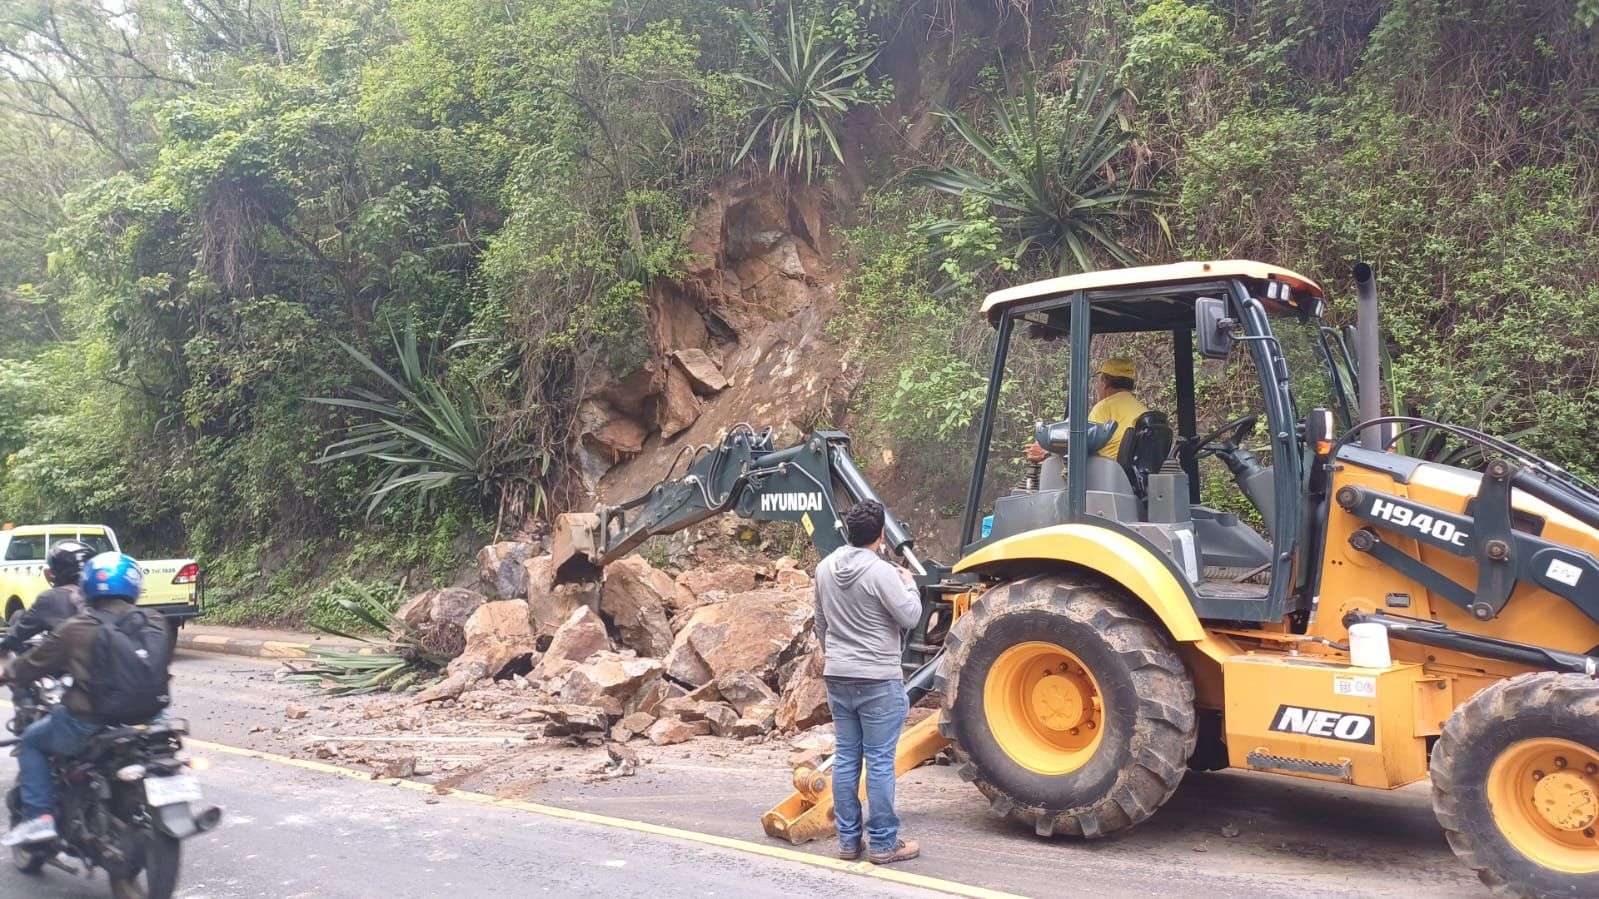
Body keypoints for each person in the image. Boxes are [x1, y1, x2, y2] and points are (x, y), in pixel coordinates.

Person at [1, 552, 169, 848]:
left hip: (89, 723)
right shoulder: (156, 621)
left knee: (31, 742)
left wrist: (7, 673)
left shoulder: (78, 627)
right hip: (152, 719)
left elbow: (31, 664)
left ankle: (39, 818)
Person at [813, 500, 922, 865]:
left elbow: (820, 623)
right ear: (880, 534)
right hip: (877, 680)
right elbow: (909, 617)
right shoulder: (882, 572)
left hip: (838, 677)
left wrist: (841, 654)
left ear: (848, 531)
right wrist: (911, 586)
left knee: (846, 758)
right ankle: (883, 844)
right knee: (878, 762)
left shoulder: (824, 568)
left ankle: (848, 842)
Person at [1025, 356, 1149, 463]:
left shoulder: (1104, 408)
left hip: (1103, 478)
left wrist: (1046, 453)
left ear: (1105, 381)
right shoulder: (1143, 410)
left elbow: (1080, 446)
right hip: (1126, 479)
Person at [0, 540, 92, 656]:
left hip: (65, 669)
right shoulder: (102, 597)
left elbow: (15, 636)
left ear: (54, 571)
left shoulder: (50, 598)